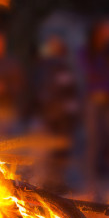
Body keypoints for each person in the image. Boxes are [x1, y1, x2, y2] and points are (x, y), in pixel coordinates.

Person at [80, 19, 109, 197]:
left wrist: (105, 67)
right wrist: (104, 69)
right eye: (107, 31)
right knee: (93, 141)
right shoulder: (86, 52)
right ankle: (92, 182)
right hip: (93, 100)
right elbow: (89, 71)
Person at [32, 35, 80, 193]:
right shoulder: (44, 69)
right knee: (47, 151)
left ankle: (57, 181)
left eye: (57, 46)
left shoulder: (63, 68)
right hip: (49, 117)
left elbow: (69, 91)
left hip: (62, 118)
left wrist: (70, 111)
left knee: (60, 151)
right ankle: (46, 182)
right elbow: (41, 93)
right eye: (52, 46)